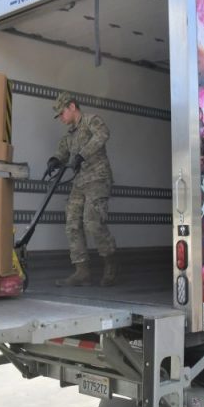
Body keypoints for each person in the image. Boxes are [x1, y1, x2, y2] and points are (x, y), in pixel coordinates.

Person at [47, 92, 117, 287]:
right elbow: (62, 151)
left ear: (71, 107)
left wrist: (82, 155)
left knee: (92, 222)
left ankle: (110, 264)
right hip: (80, 183)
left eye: (62, 113)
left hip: (98, 179)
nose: (61, 118)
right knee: (71, 223)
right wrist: (55, 160)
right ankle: (82, 271)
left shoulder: (91, 121)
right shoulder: (70, 134)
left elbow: (103, 134)